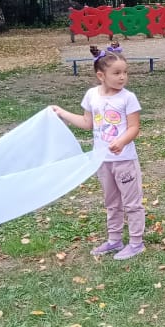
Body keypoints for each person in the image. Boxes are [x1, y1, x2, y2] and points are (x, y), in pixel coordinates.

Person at [51, 42, 146, 259]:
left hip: (124, 160)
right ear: (101, 76)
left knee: (131, 203)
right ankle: (114, 240)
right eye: (117, 73)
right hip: (102, 161)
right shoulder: (92, 95)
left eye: (125, 72)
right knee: (112, 203)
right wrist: (62, 112)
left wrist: (121, 142)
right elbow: (87, 123)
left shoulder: (128, 98)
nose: (122, 77)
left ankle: (136, 242)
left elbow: (134, 127)